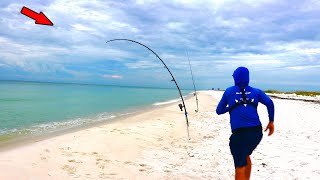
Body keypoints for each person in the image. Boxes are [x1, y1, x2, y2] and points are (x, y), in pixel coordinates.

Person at [216, 67, 275, 180]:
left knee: (239, 165)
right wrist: (271, 122)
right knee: (244, 155)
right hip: (257, 133)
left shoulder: (229, 91)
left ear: (235, 78)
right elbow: (270, 103)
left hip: (239, 133)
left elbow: (219, 111)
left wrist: (232, 106)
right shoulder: (256, 91)